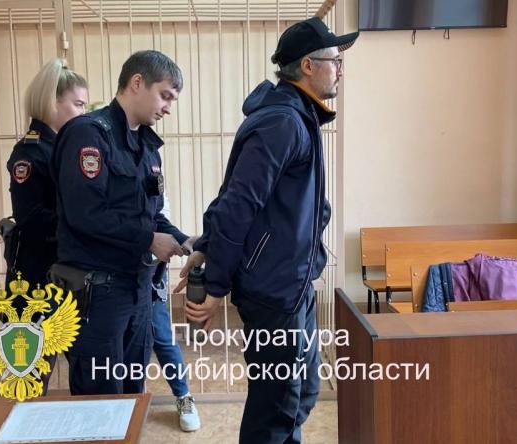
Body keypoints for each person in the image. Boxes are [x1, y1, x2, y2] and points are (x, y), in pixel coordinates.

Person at [176, 17, 359, 443]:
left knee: (301, 392)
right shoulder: (284, 122)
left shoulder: (296, 116)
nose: (340, 70)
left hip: (293, 284)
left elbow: (238, 195)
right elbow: (238, 203)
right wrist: (215, 283)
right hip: (275, 290)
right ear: (308, 66)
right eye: (335, 61)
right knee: (276, 409)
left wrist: (208, 245)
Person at [51, 50, 191, 395]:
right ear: (137, 83)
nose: (168, 108)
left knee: (131, 390)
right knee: (100, 395)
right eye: (165, 96)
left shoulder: (146, 146)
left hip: (137, 289)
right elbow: (86, 213)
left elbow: (152, 214)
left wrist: (184, 240)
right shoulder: (88, 135)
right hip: (97, 293)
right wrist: (149, 240)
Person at [4, 58, 87, 394]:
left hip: (65, 274)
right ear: (53, 102)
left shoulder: (61, 147)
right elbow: (30, 216)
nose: (83, 113)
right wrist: (82, 221)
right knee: (30, 378)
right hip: (35, 277)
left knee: (86, 371)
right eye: (78, 104)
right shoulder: (31, 152)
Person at [150, 195, 201, 432]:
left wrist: (183, 239)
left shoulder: (152, 176)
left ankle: (183, 396)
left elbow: (158, 217)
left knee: (162, 336)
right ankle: (131, 399)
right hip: (116, 272)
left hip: (150, 268)